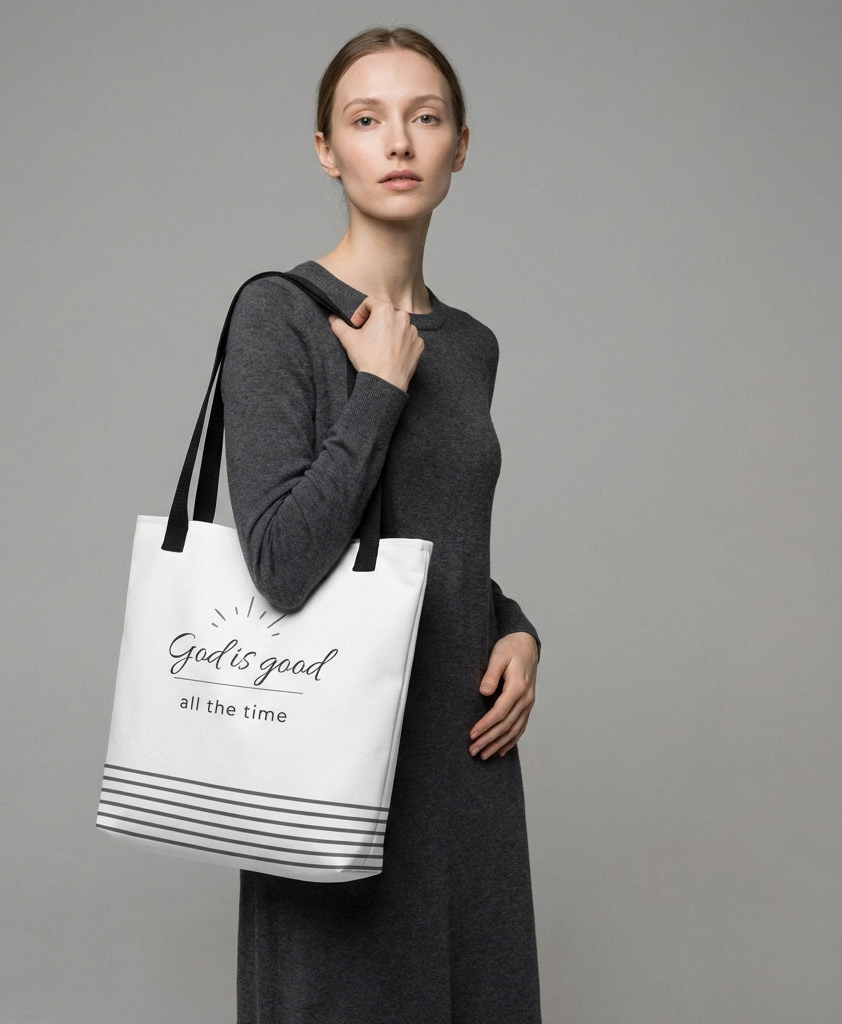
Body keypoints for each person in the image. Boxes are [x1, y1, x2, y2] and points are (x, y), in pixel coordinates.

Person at [221, 26, 541, 1024]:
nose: (397, 141)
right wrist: (376, 391)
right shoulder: (277, 317)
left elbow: (436, 543)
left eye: (424, 117)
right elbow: (278, 561)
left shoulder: (473, 344)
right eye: (366, 119)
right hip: (338, 770)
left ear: (460, 146)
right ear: (327, 149)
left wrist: (517, 624)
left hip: (466, 760)